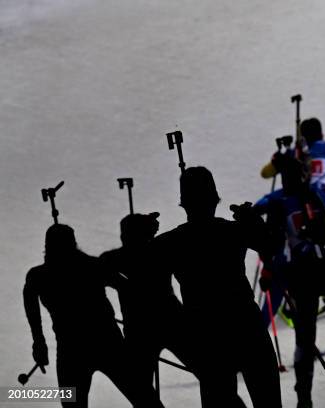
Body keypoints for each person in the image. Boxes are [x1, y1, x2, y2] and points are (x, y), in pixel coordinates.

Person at [151, 166, 281, 408]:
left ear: (184, 204)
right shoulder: (232, 231)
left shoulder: (171, 242)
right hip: (247, 329)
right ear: (215, 200)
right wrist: (254, 223)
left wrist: (140, 239)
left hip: (208, 339)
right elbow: (272, 245)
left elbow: (140, 274)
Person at [255, 152, 325, 408]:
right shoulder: (317, 200)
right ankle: (304, 397)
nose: (287, 181)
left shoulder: (290, 203)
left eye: (289, 177)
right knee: (308, 338)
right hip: (318, 275)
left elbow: (273, 242)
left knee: (308, 339)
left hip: (312, 276)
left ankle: (304, 397)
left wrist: (269, 268)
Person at [23, 224, 163, 408]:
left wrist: (39, 342)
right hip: (99, 346)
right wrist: (39, 342)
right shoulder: (91, 266)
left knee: (145, 400)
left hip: (83, 350)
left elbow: (128, 289)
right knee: (146, 400)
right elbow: (129, 289)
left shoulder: (40, 276)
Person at [99, 212, 210, 405]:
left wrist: (121, 284)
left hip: (141, 331)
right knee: (212, 377)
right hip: (172, 323)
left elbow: (98, 273)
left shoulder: (116, 259)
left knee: (142, 393)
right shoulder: (161, 250)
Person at [261, 117, 325, 194]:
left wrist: (277, 159)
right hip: (324, 204)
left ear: (301, 137)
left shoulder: (292, 152)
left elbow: (265, 174)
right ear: (321, 135)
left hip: (295, 204)